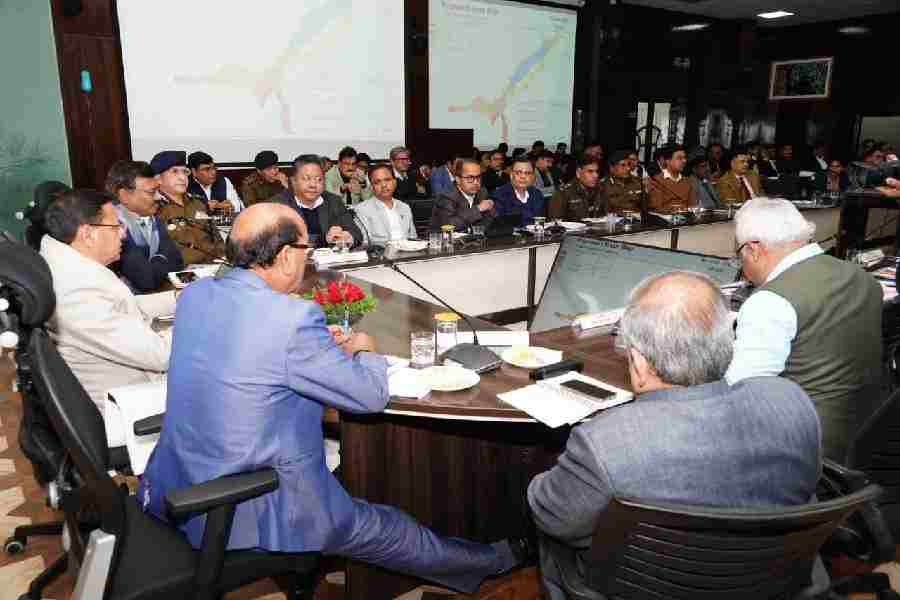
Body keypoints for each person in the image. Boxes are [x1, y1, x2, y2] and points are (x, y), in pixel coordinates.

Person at [138, 204, 524, 593]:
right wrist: (365, 350)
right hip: (252, 503)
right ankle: (492, 563)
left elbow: (248, 355)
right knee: (389, 528)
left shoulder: (196, 294)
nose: (307, 258)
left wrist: (318, 350)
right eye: (305, 249)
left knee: (353, 476)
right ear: (285, 256)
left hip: (179, 478)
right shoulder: (292, 319)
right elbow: (369, 396)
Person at [528, 271, 822, 600]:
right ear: (727, 345)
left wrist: (541, 481)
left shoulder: (604, 442)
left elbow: (553, 517)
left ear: (638, 363)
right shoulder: (791, 402)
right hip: (769, 584)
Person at [726, 198, 883, 462]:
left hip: (802, 448)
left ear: (754, 249)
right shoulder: (861, 276)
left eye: (740, 255)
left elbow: (741, 396)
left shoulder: (770, 301)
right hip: (865, 434)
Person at [40, 189, 174, 445]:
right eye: (116, 226)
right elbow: (162, 355)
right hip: (133, 407)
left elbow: (125, 307)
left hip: (133, 380)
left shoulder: (71, 267)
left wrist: (180, 299)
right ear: (88, 234)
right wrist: (199, 318)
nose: (123, 234)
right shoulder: (76, 291)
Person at [105, 160, 184, 292]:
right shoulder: (113, 227)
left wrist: (154, 263)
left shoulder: (151, 216)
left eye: (158, 190)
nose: (159, 197)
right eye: (152, 192)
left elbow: (177, 260)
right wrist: (162, 258)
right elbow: (146, 280)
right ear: (124, 195)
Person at [272, 154, 361, 248]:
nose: (313, 185)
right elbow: (276, 240)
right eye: (306, 179)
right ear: (293, 181)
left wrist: (348, 238)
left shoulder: (333, 201)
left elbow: (357, 234)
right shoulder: (277, 205)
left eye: (319, 179)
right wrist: (323, 239)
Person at [153, 151, 226, 265]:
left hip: (214, 265)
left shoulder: (198, 203)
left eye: (185, 172)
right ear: (158, 179)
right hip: (181, 271)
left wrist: (222, 259)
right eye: (174, 172)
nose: (182, 178)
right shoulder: (154, 209)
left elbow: (216, 238)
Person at [354, 164, 417, 245]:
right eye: (377, 182)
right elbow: (365, 243)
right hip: (381, 252)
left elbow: (413, 238)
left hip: (408, 251)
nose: (384, 185)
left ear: (394, 182)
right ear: (372, 187)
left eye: (387, 180)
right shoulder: (362, 209)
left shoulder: (404, 207)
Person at [431, 158, 495, 231]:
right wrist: (478, 209)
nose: (476, 182)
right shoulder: (446, 196)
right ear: (458, 179)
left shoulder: (482, 192)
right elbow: (449, 225)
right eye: (470, 178)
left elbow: (490, 221)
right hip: (443, 237)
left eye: (478, 177)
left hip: (474, 237)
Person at [548, 155, 604, 220]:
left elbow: (606, 216)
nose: (595, 175)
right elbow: (555, 222)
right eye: (590, 171)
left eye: (597, 171)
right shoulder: (563, 193)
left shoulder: (600, 189)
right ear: (578, 173)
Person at [492, 157, 545, 226]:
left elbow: (540, 220)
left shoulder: (537, 194)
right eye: (518, 172)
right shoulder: (499, 195)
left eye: (528, 173)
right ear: (511, 175)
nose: (523, 176)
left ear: (533, 177)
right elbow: (500, 225)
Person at [647, 145, 695, 212]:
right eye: (679, 158)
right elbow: (657, 207)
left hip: (687, 217)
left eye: (684, 158)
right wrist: (680, 208)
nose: (684, 161)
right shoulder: (655, 181)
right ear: (667, 161)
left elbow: (693, 206)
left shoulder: (688, 181)